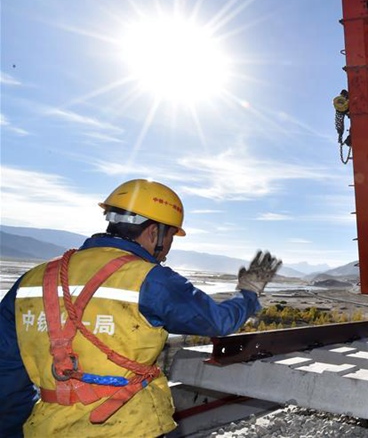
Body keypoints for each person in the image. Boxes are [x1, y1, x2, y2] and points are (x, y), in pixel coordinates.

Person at [0, 179, 281, 437]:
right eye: (170, 237)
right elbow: (218, 321)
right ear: (153, 232)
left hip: (46, 429)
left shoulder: (32, 279)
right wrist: (249, 292)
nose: (168, 248)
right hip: (130, 427)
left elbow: (7, 371)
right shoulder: (151, 279)